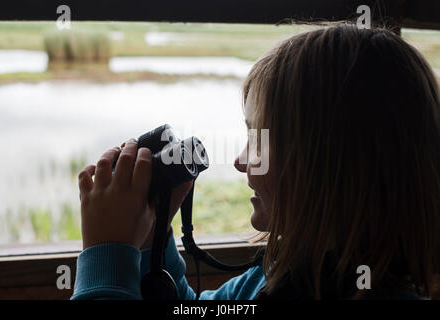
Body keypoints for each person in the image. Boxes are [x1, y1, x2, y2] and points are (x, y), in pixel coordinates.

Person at [71, 23, 440, 300]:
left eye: (257, 139)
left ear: (325, 168)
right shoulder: (277, 276)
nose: (240, 161)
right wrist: (151, 242)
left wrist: (106, 259)